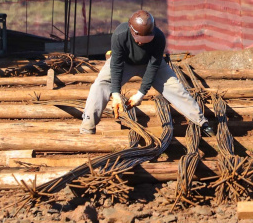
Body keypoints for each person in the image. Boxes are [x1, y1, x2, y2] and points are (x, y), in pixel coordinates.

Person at [80, 10, 215, 137]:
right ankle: (87, 127)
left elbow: (153, 66)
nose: (140, 42)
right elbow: (116, 64)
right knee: (100, 85)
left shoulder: (159, 37)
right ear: (131, 30)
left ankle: (202, 122)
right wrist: (115, 93)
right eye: (138, 38)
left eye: (146, 39)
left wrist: (141, 93)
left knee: (175, 88)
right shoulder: (120, 35)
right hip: (125, 63)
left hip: (149, 64)